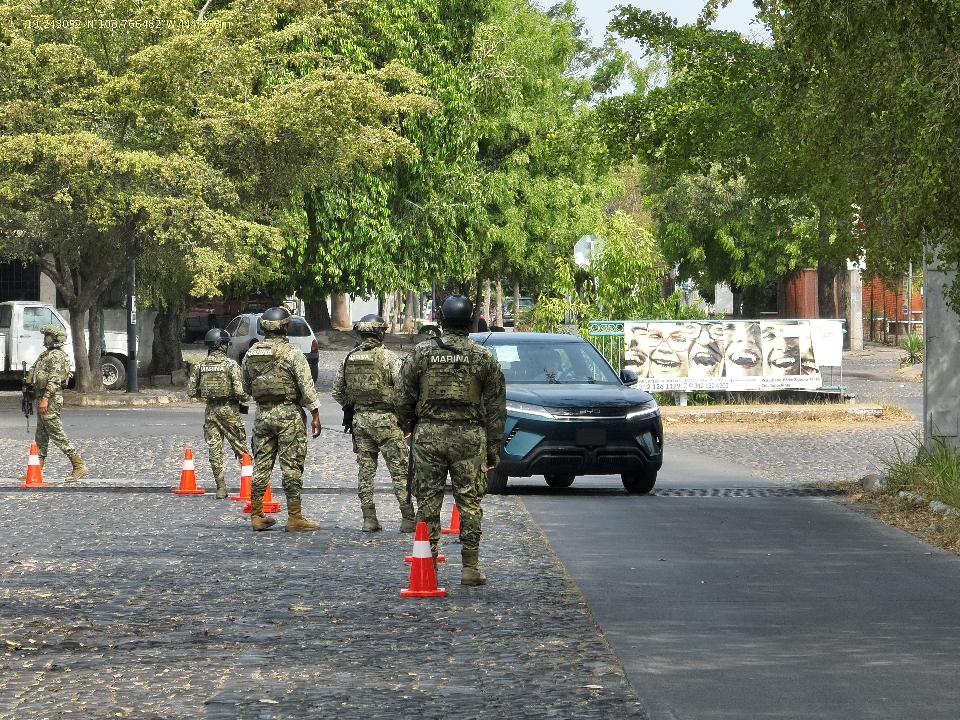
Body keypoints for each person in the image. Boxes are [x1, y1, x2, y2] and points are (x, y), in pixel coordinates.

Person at [397, 295, 507, 586]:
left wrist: (408, 424)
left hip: (429, 436)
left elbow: (402, 395)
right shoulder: (483, 357)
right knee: (470, 503)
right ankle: (470, 567)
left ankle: (427, 561)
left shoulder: (421, 353)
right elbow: (496, 408)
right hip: (469, 437)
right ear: (471, 321)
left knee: (428, 500)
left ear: (442, 321)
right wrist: (493, 449)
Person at [332, 314, 417, 533]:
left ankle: (369, 519)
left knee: (366, 471)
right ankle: (408, 519)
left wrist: (354, 404)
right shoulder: (389, 358)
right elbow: (403, 392)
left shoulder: (349, 358)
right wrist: (405, 419)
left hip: (360, 421)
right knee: (399, 471)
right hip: (388, 421)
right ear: (380, 333)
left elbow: (337, 391)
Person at [241, 307, 322, 532]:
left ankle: (257, 514)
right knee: (292, 466)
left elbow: (245, 386)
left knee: (261, 466)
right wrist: (315, 413)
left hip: (263, 415)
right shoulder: (292, 353)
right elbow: (307, 386)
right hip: (289, 416)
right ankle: (295, 517)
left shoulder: (251, 354)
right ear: (286, 326)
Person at [187, 328, 249, 498]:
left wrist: (207, 394)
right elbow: (240, 392)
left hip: (210, 411)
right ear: (222, 345)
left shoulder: (200, 366)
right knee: (240, 447)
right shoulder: (230, 365)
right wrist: (247, 396)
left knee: (215, 449)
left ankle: (220, 487)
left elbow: (191, 391)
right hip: (229, 410)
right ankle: (249, 484)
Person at [24, 324, 87, 482]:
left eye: (49, 336)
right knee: (41, 435)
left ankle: (78, 465)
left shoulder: (57, 356)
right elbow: (35, 373)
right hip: (42, 396)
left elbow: (54, 379)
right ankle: (36, 468)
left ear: (56, 339)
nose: (46, 339)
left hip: (50, 398)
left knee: (56, 433)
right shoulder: (46, 355)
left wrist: (45, 398)